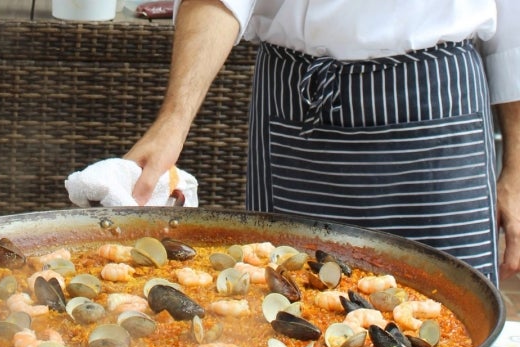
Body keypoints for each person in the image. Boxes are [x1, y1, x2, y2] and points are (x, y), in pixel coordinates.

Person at [125, 0, 520, 286]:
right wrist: (172, 124)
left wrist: (517, 172)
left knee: (457, 313)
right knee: (281, 323)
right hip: (296, 109)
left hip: (435, 105)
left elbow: (513, 32)